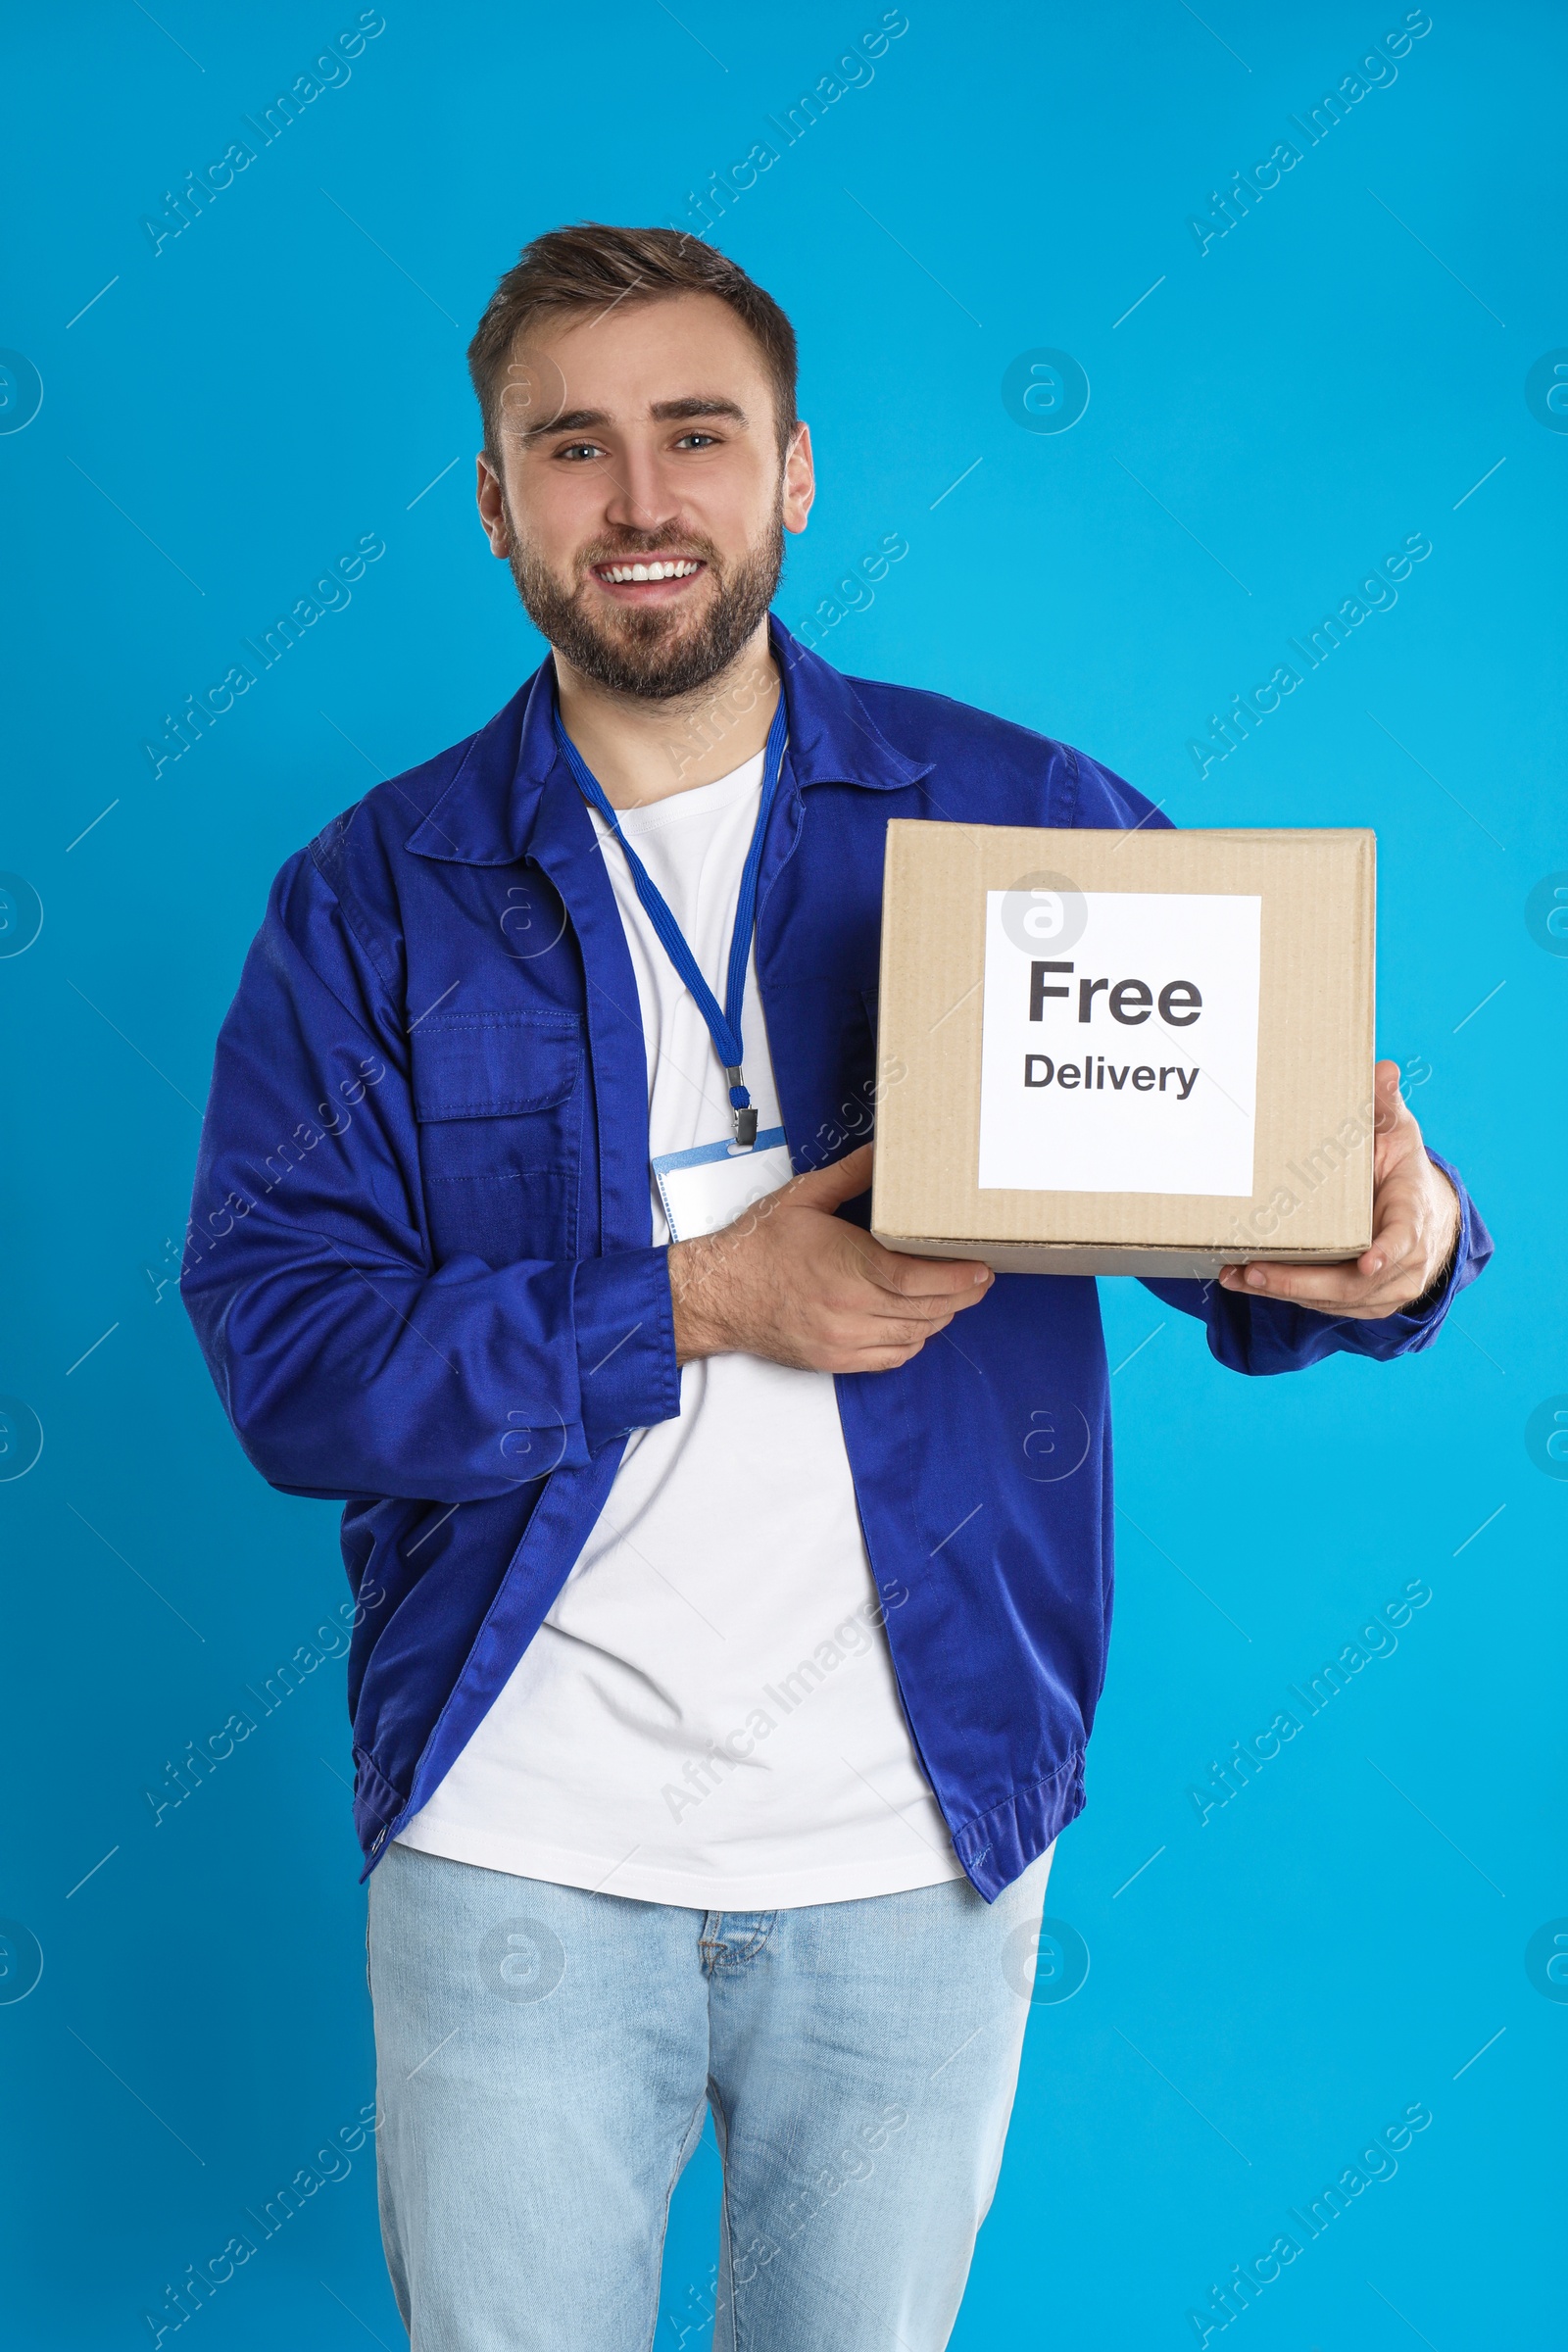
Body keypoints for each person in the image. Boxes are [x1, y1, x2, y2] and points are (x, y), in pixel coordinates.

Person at [181, 223, 1491, 2352]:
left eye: (694, 436)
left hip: (913, 1838)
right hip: (516, 1837)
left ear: (791, 472)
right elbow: (288, 1366)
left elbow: (1274, 1235)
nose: (639, 502)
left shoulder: (1017, 815)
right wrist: (695, 1300)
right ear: (495, 500)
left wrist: (1395, 1238)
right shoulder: (369, 901)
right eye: (571, 448)